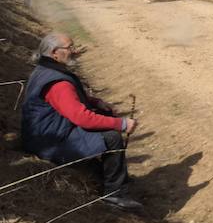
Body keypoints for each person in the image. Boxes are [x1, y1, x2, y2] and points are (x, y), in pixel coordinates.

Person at [20, 33, 141, 210]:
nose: (74, 51)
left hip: (47, 132)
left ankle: (110, 176)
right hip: (50, 141)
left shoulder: (45, 70)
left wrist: (95, 102)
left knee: (103, 116)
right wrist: (122, 124)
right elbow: (82, 118)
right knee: (112, 138)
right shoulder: (58, 83)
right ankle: (114, 195)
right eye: (70, 48)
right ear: (55, 53)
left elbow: (68, 100)